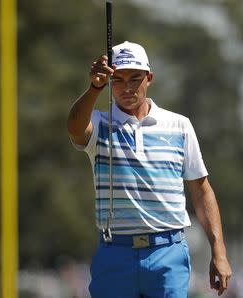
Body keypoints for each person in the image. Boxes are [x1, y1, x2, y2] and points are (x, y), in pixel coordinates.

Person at [67, 41, 232, 297]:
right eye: (118, 80)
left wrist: (219, 252)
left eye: (135, 78)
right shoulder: (99, 123)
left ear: (149, 78)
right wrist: (94, 87)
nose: (127, 87)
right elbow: (75, 129)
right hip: (115, 252)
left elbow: (202, 191)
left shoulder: (179, 125)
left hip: (167, 251)